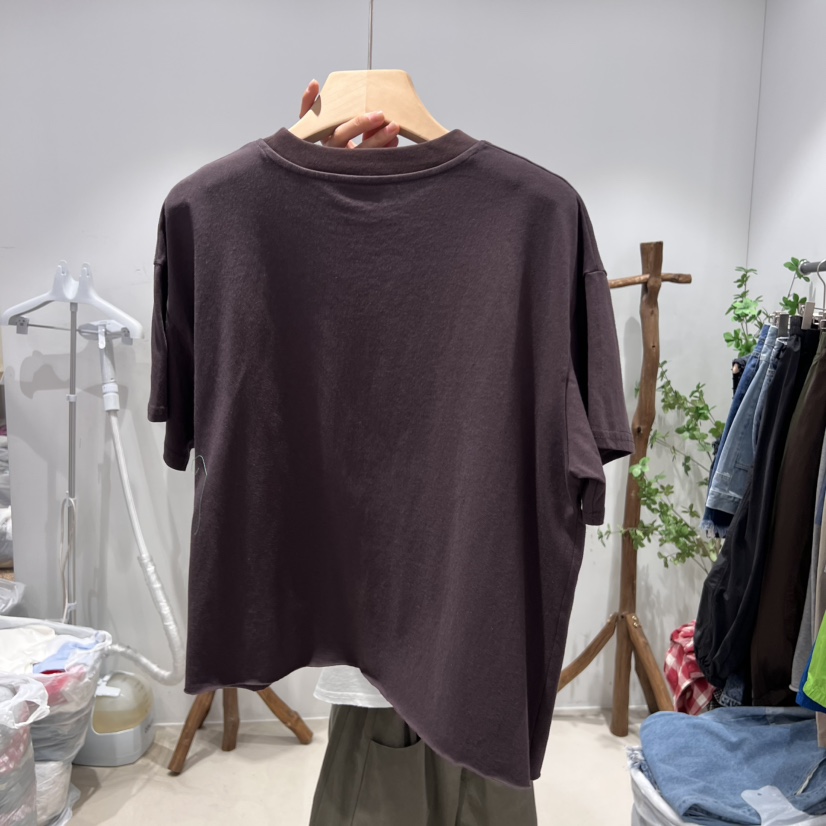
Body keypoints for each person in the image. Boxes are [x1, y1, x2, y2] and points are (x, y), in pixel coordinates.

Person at [296, 80, 539, 826]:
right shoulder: (220, 215)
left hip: (472, 617)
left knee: (437, 770)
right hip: (413, 630)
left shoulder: (537, 218)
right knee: (394, 764)